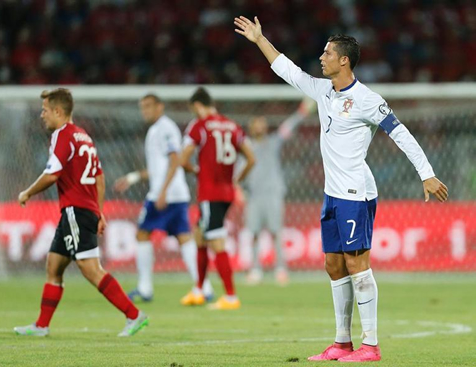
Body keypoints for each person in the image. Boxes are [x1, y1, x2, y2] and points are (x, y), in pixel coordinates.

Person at [234, 16, 448, 362]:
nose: (321, 58)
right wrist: (260, 39)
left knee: (356, 264)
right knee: (333, 264)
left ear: (343, 60)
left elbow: (401, 133)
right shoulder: (322, 91)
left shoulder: (367, 98)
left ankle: (371, 345)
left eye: (327, 53)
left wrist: (426, 173)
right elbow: (284, 68)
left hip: (356, 193)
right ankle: (342, 342)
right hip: (332, 194)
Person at [14, 88, 148, 337]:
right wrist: (99, 211)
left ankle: (134, 315)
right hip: (79, 211)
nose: (42, 115)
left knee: (90, 268)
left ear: (57, 111)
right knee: (54, 265)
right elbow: (99, 177)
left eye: (44, 110)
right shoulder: (84, 136)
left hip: (76, 210)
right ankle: (41, 326)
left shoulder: (62, 135)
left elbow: (53, 174)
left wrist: (28, 192)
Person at [114, 94, 214, 303]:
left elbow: (175, 160)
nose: (145, 111)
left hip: (166, 193)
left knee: (143, 233)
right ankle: (204, 287)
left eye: (149, 106)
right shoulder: (155, 130)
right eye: (143, 107)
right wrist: (133, 177)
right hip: (173, 192)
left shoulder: (166, 128)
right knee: (183, 236)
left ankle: (145, 288)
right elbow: (158, 168)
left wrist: (163, 192)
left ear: (160, 106)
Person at [179, 87, 255, 310]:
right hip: (226, 191)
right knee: (200, 236)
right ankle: (199, 290)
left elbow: (183, 160)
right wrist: (236, 179)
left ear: (197, 106)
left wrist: (195, 170)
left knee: (216, 241)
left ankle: (231, 296)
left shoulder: (199, 126)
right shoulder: (232, 126)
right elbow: (251, 159)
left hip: (209, 193)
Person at [244, 98, 316, 285]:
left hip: (273, 193)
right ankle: (255, 268)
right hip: (253, 195)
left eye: (262, 124)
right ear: (251, 127)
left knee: (276, 231)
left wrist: (302, 112)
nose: (260, 127)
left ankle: (280, 267)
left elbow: (287, 127)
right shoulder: (245, 148)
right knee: (253, 233)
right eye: (257, 124)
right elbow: (238, 171)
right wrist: (237, 188)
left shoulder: (273, 142)